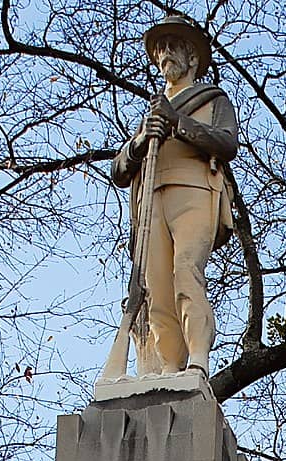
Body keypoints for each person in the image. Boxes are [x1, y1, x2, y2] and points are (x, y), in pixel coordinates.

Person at [111, 11, 239, 377]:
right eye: (161, 48)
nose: (165, 53)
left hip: (195, 191)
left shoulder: (212, 100)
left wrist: (179, 123)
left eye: (173, 46)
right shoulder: (151, 112)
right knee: (157, 286)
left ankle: (198, 355)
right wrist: (138, 143)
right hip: (151, 198)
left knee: (186, 272)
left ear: (192, 57)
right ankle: (170, 364)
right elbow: (119, 170)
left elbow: (227, 143)